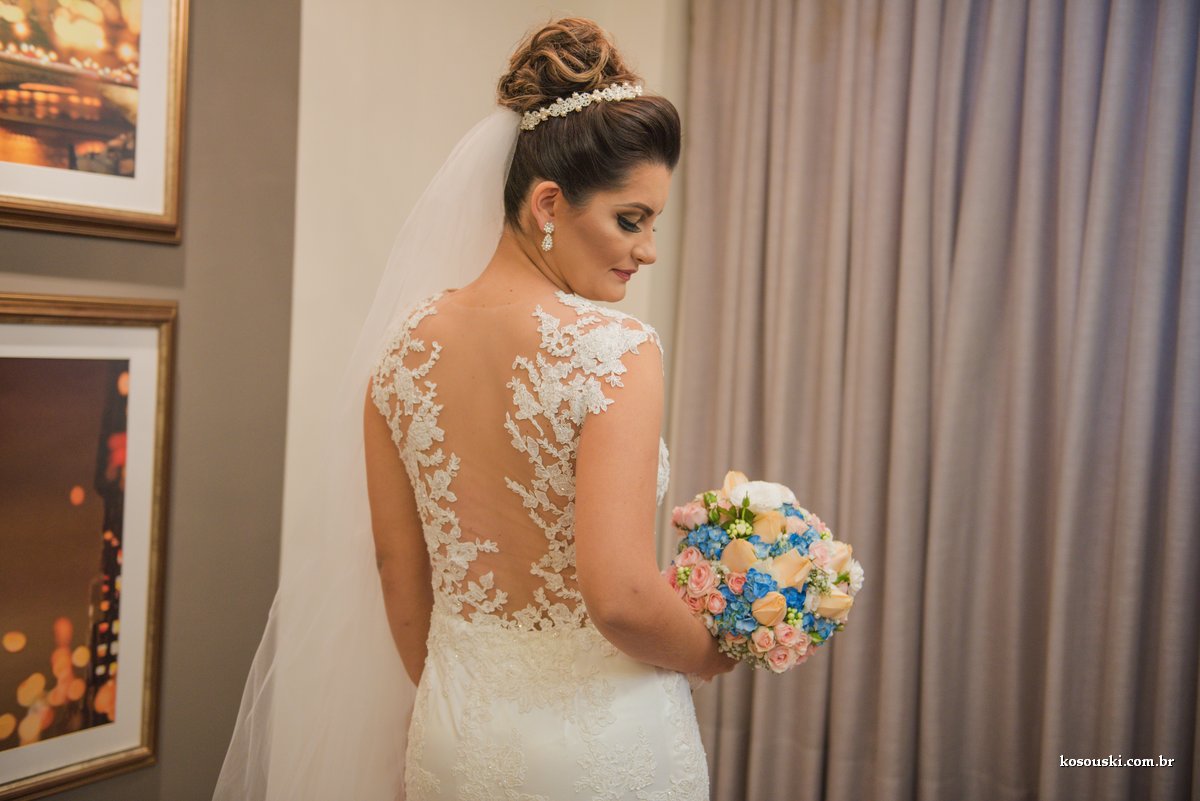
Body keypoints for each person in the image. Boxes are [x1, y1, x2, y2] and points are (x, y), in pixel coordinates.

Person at [214, 17, 733, 801]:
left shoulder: (400, 351)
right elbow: (623, 597)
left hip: (455, 734)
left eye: (653, 223)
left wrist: (466, 701)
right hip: (599, 749)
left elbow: (398, 571)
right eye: (631, 219)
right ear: (549, 203)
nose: (648, 248)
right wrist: (709, 649)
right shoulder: (618, 349)